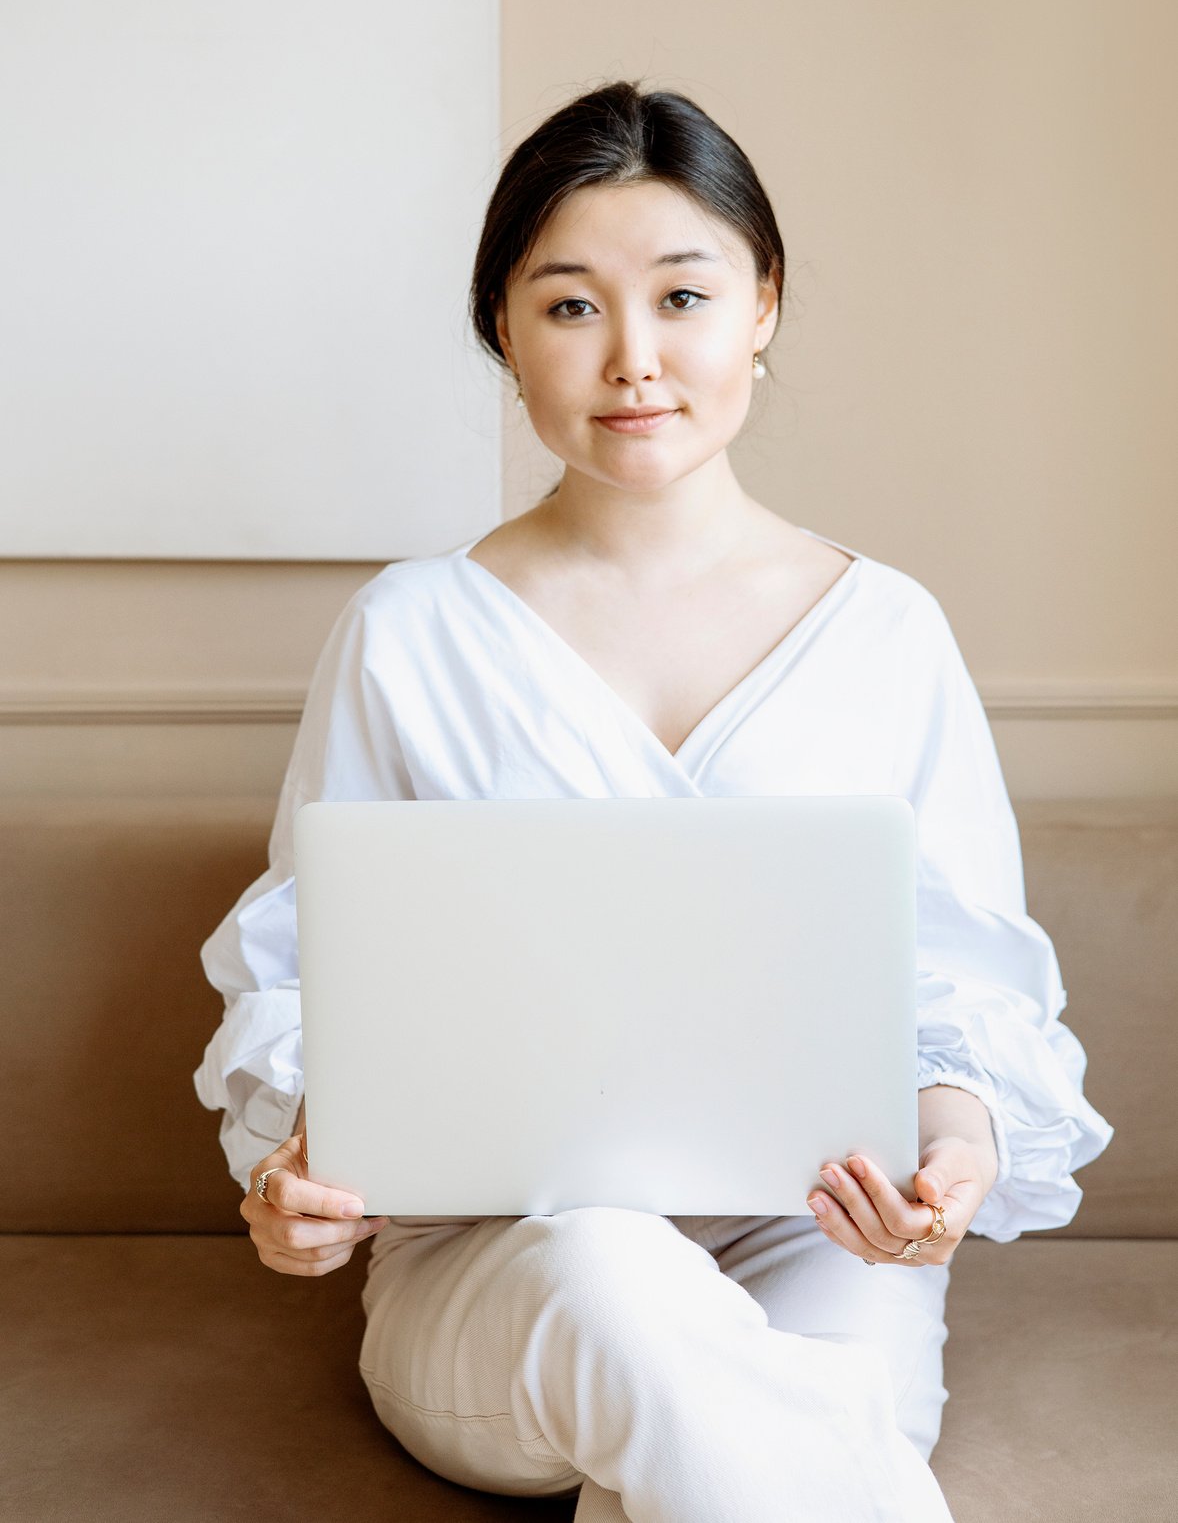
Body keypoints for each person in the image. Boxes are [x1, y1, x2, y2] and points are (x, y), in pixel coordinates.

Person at [194, 80, 1113, 1522]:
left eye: (683, 295)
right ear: (503, 331)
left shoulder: (885, 631)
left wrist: (955, 1153)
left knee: (713, 1455)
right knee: (618, 1272)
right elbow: (314, 977)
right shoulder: (410, 632)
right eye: (570, 306)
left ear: (762, 307)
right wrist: (297, 1172)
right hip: (513, 1261)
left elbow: (959, 983)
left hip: (816, 1237)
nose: (633, 359)